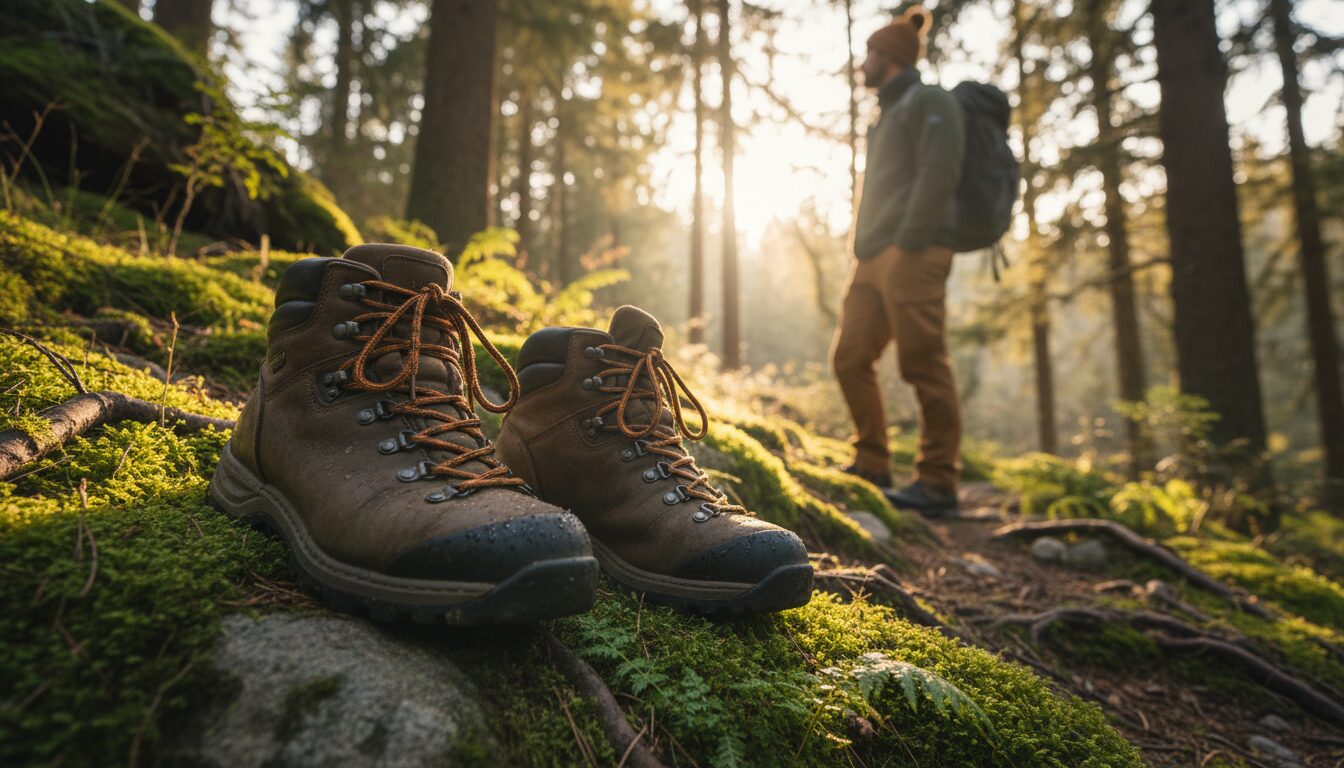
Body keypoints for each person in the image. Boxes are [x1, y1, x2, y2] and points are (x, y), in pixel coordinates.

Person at [832, 6, 966, 517]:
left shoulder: (931, 101)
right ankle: (872, 462)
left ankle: (938, 483)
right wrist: (864, 244)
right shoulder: (886, 116)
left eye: (868, 53)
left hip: (915, 252)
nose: (861, 63)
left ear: (887, 56)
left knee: (923, 363)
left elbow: (940, 172)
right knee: (849, 356)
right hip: (871, 258)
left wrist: (909, 240)